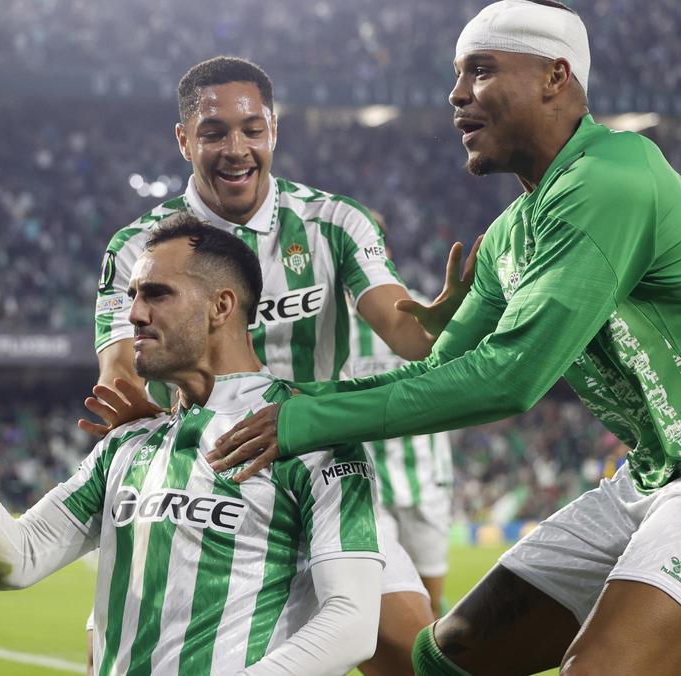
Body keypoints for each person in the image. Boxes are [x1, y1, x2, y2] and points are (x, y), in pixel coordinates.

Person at [209, 2, 681, 674]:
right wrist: (299, 400)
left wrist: (308, 419)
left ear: (554, 77)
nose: (456, 95)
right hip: (656, 482)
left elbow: (511, 378)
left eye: (480, 71)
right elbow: (437, 375)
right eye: (457, 74)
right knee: (445, 659)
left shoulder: (613, 178)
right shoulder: (512, 234)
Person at [87, 55, 477, 674]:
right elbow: (120, 369)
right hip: (200, 500)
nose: (236, 148)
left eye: (252, 128)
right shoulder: (139, 245)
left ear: (275, 130)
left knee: (418, 659)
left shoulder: (334, 223)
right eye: (214, 132)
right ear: (185, 138)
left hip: (319, 477)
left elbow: (405, 331)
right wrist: (127, 402)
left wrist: (446, 317)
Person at [0, 217, 383, 675]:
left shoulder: (314, 442)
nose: (135, 314)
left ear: (221, 306)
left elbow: (351, 622)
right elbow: (15, 560)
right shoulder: (127, 443)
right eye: (134, 295)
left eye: (157, 294)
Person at [348, 211, 454, 617]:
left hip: (424, 477)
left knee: (434, 605)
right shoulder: (328, 324)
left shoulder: (422, 309)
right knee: (388, 607)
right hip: (364, 485)